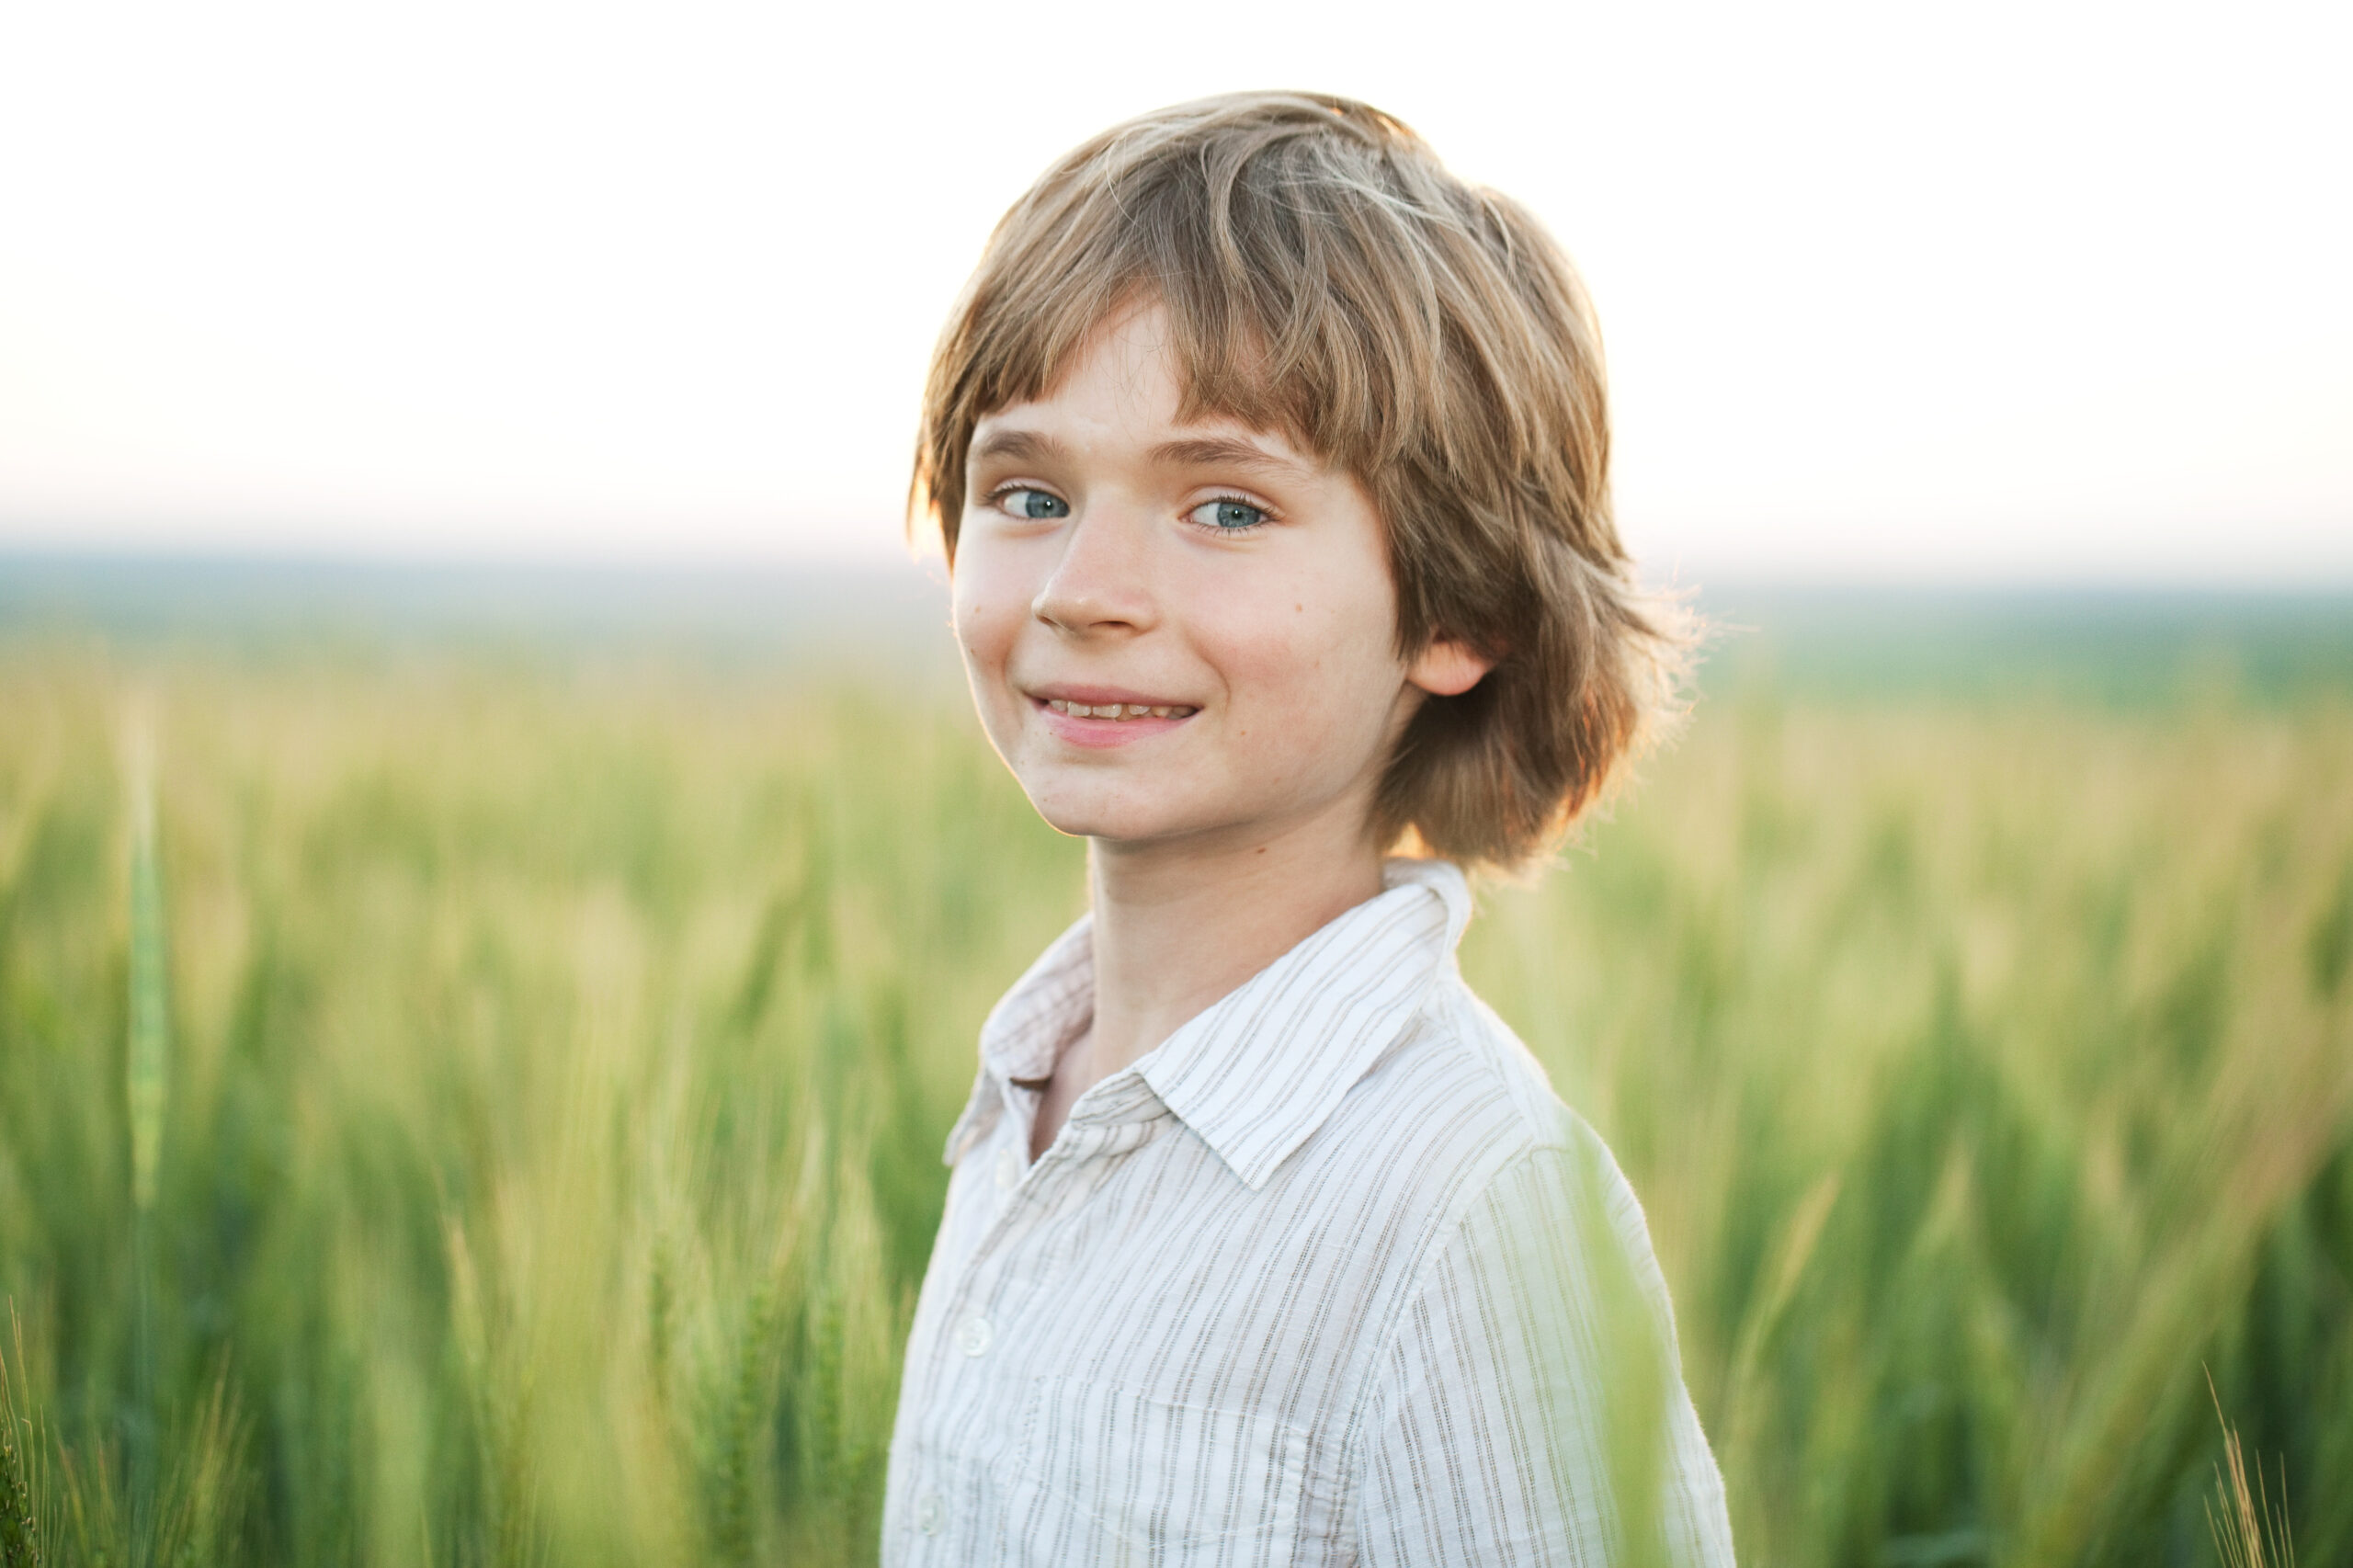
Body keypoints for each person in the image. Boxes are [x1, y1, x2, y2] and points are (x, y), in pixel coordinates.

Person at [884, 91, 1733, 1566]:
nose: (1081, 590)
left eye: (1224, 509)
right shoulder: (1022, 1103)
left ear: (1462, 605)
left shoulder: (1478, 1217)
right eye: (1027, 493)